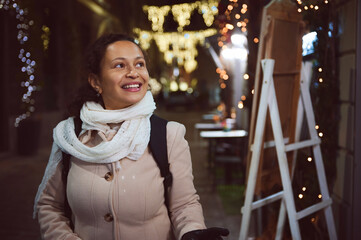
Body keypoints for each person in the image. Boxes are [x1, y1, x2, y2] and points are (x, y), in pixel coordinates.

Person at [33, 33, 229, 240]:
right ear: (96, 81)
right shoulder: (69, 136)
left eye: (139, 64)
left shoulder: (169, 134)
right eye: (120, 66)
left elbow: (184, 204)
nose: (133, 73)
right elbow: (50, 205)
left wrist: (193, 232)